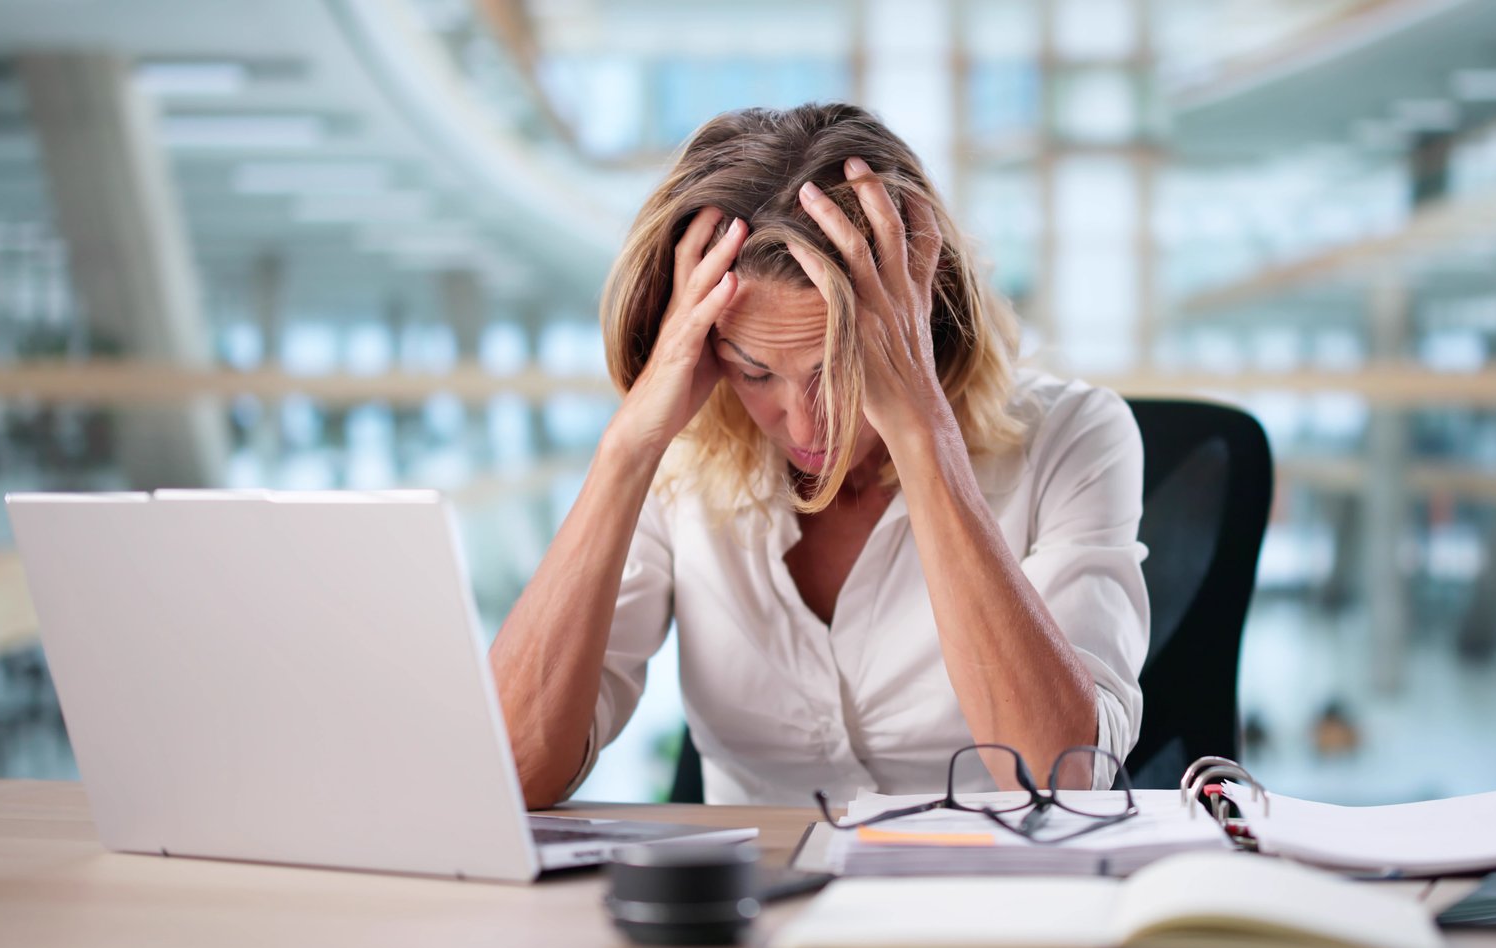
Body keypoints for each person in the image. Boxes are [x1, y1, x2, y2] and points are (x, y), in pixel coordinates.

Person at [490, 103, 1148, 808]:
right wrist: (627, 449)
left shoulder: (1074, 435)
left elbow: (1063, 777)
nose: (804, 423)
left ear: (921, 322)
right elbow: (512, 773)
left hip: (985, 876)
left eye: (838, 368)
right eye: (754, 372)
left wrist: (923, 438)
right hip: (754, 881)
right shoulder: (680, 457)